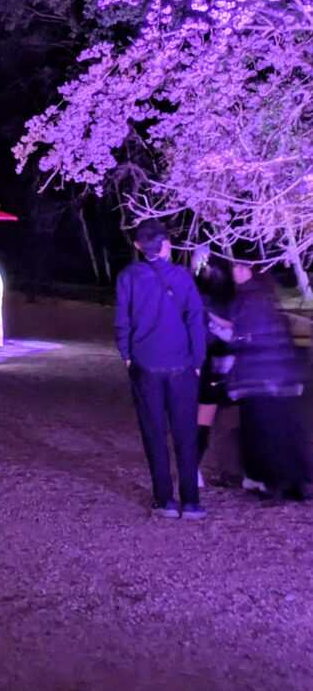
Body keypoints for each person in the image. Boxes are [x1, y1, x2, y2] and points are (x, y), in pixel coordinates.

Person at [114, 219, 207, 519]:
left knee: (154, 432)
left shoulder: (128, 277)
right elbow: (196, 320)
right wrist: (198, 360)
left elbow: (122, 320)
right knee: (186, 433)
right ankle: (190, 501)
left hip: (145, 362)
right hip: (181, 363)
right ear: (166, 245)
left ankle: (164, 499)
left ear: (138, 246)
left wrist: (127, 354)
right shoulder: (182, 277)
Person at [227, 263, 310, 501]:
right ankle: (291, 482)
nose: (236, 272)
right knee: (282, 429)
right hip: (274, 376)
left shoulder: (249, 298)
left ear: (252, 271)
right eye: (235, 268)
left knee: (264, 432)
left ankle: (274, 482)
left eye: (241, 268)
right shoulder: (261, 295)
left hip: (260, 377)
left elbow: (250, 337)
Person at [193, 253, 235, 486]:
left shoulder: (206, 298)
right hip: (217, 363)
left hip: (218, 362)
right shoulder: (220, 297)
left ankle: (200, 467)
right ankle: (196, 467)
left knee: (211, 420)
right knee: (207, 419)